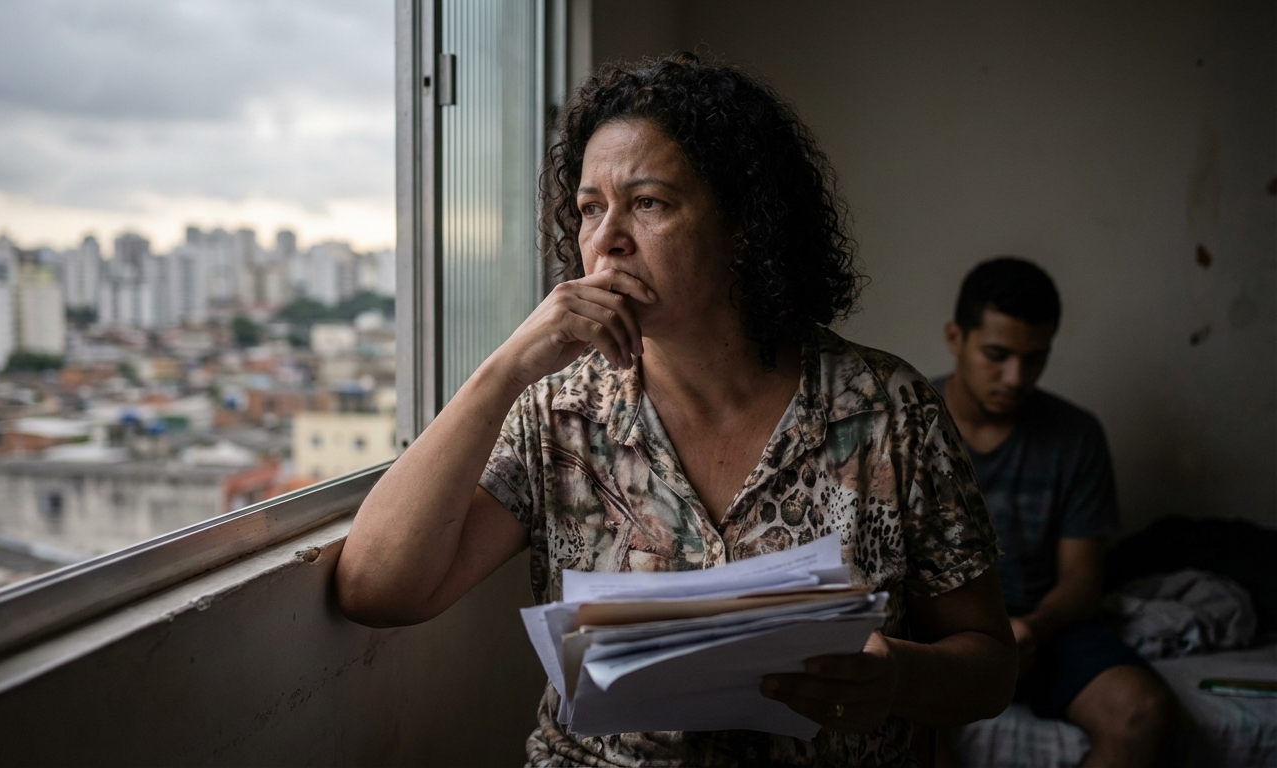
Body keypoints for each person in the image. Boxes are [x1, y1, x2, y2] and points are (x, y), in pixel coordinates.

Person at [335, 53, 1016, 766]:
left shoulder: (888, 412)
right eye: (591, 208)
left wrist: (896, 679)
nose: (606, 239)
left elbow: (990, 666)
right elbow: (378, 588)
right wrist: (505, 368)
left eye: (649, 203)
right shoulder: (562, 412)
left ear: (745, 223)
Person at [936, 258, 1173, 767]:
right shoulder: (908, 421)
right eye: (996, 355)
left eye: (1035, 359)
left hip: (1043, 632)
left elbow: (1083, 580)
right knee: (900, 717)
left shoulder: (1075, 436)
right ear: (956, 337)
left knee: (1142, 712)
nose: (1015, 377)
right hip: (938, 631)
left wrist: (1033, 629)